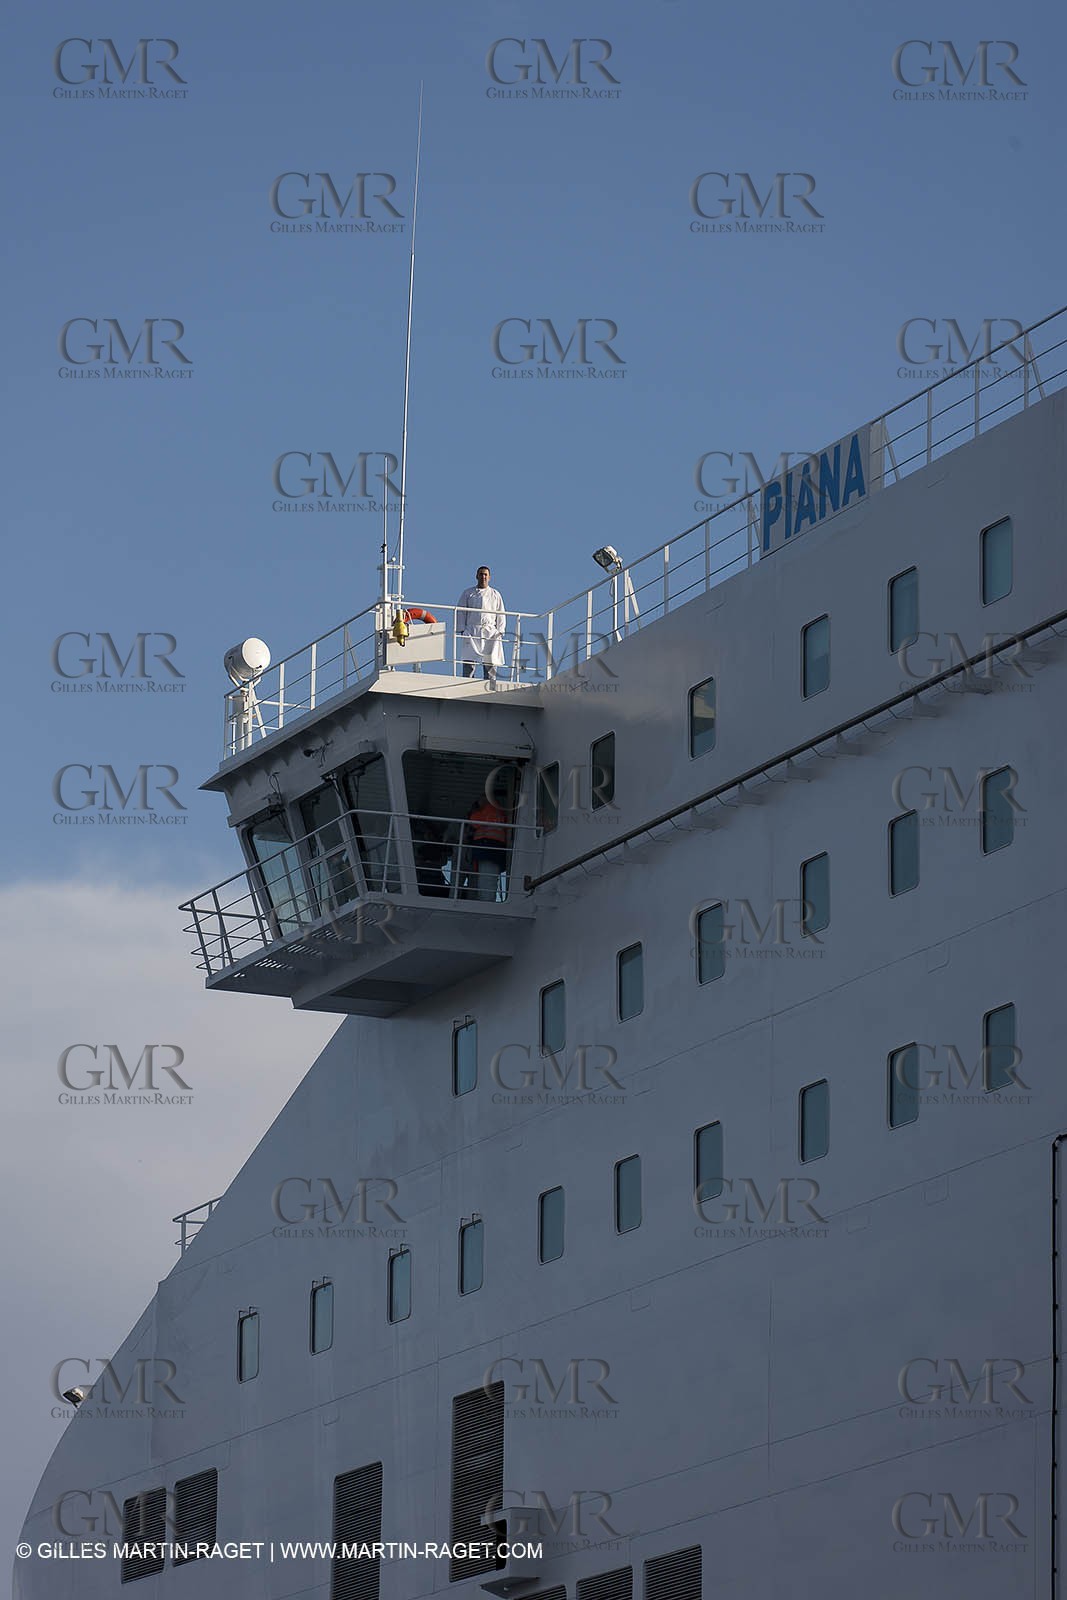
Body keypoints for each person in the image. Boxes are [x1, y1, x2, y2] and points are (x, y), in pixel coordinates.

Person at [456, 566, 506, 682]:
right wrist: (462, 629)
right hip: (472, 630)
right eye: (481, 574)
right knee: (469, 659)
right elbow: (461, 611)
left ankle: (490, 683)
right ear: (476, 576)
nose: (483, 577)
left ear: (489, 577)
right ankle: (467, 681)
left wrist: (500, 631)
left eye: (485, 575)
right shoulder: (468, 593)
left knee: (490, 660)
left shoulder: (495, 594)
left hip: (490, 631)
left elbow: (501, 613)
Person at [463, 793, 510, 901]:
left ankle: (486, 903)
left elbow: (473, 820)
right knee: (490, 881)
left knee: (486, 882)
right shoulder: (499, 812)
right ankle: (487, 901)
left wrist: (475, 809)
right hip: (494, 851)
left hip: (487, 850)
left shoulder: (488, 809)